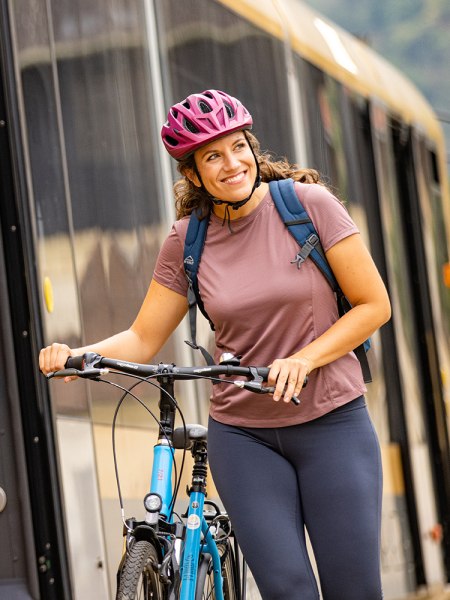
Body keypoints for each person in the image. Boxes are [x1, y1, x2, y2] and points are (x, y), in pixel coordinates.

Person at [40, 89, 391, 599]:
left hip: (332, 422)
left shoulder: (308, 206)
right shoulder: (188, 239)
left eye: (238, 147)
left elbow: (372, 305)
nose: (232, 164)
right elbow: (143, 337)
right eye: (212, 156)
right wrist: (78, 355)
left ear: (252, 146)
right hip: (244, 437)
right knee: (288, 589)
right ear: (193, 174)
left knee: (353, 589)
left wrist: (304, 358)